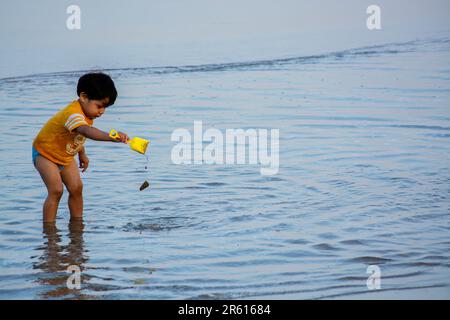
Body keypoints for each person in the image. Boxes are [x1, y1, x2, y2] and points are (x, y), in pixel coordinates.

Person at [32, 72, 129, 223]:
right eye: (99, 106)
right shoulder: (73, 114)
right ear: (83, 97)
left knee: (77, 188)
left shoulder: (87, 114)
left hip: (65, 155)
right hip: (45, 154)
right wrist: (111, 137)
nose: (102, 112)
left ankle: (77, 225)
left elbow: (77, 137)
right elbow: (85, 131)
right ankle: (49, 232)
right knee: (56, 190)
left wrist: (81, 154)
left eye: (105, 108)